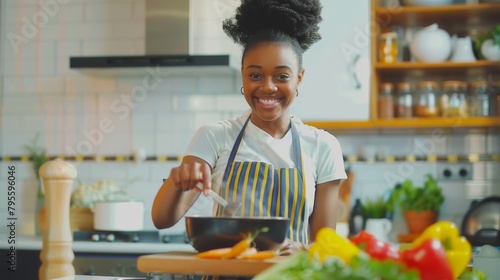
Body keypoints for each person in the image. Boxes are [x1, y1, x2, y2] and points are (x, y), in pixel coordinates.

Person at [152, 0, 347, 254]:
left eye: (282, 76)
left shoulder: (323, 146)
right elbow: (162, 219)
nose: (267, 87)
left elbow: (325, 247)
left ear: (299, 78)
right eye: (255, 75)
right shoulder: (214, 136)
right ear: (243, 74)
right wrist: (177, 183)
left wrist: (304, 251)